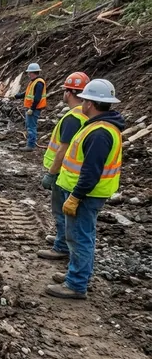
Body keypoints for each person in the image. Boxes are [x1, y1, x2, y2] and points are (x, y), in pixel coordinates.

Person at [46, 79, 124, 300]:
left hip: (86, 195)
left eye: (86, 100)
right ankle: (77, 274)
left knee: (80, 237)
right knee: (79, 235)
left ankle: (76, 284)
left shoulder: (100, 133)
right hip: (89, 193)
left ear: (90, 103)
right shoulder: (100, 126)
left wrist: (76, 197)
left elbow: (91, 171)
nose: (82, 103)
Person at [37, 72, 90, 261]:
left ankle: (61, 246)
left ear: (69, 93)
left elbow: (63, 149)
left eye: (65, 90)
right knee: (65, 213)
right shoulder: (85, 115)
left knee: (60, 210)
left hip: (64, 173)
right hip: (73, 171)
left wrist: (51, 173)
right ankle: (62, 239)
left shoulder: (72, 118)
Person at [13, 63, 47, 151]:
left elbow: (37, 98)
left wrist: (32, 108)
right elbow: (28, 93)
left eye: (29, 73)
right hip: (30, 108)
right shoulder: (34, 82)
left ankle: (30, 146)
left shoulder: (39, 83)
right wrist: (18, 96)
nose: (28, 74)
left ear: (33, 72)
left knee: (31, 127)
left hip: (34, 109)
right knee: (28, 126)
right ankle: (29, 142)